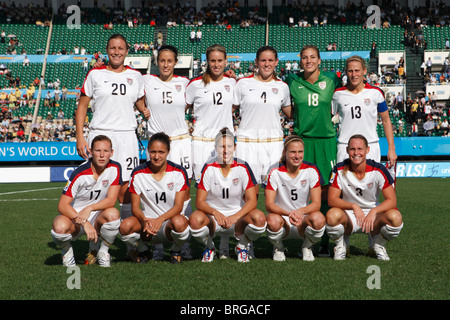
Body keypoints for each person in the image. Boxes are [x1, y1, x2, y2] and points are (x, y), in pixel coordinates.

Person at [76, 33, 150, 221]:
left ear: (126, 51)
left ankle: (128, 239)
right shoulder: (95, 74)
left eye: (120, 48)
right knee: (97, 185)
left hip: (126, 136)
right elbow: (82, 106)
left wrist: (144, 111)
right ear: (107, 50)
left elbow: (139, 100)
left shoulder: (135, 75)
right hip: (100, 134)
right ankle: (95, 238)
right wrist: (80, 136)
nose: (116, 52)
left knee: (125, 189)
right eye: (113, 48)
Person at [285, 45, 341, 256]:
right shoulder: (291, 81)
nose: (308, 61)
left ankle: (327, 240)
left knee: (327, 192)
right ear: (299, 61)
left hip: (326, 142)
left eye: (312, 57)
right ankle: (307, 239)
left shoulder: (332, 79)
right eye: (304, 57)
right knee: (305, 192)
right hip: (303, 143)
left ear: (319, 60)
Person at [140, 45, 193, 259]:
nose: (165, 64)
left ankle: (183, 243)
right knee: (154, 191)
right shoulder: (146, 81)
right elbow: (127, 83)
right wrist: (141, 108)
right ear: (157, 61)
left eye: (170, 60)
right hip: (156, 144)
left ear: (176, 62)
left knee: (184, 192)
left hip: (181, 142)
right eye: (162, 60)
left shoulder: (186, 83)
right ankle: (158, 243)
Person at [189, 128, 266, 262]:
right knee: (194, 220)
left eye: (229, 146)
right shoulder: (208, 167)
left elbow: (252, 200)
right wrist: (215, 213)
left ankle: (242, 246)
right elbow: (200, 202)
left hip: (238, 219)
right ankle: (209, 246)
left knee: (259, 218)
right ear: (215, 147)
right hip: (214, 218)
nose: (225, 150)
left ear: (235, 147)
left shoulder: (243, 166)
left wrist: (235, 216)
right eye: (221, 146)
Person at [326, 134, 403, 261]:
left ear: (367, 150)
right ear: (347, 151)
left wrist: (374, 211)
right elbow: (332, 200)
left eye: (360, 149)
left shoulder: (378, 169)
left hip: (373, 216)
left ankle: (377, 245)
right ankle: (341, 246)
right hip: (349, 215)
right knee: (331, 215)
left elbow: (392, 200)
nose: (356, 153)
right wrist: (353, 206)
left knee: (396, 217)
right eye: (352, 149)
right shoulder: (339, 169)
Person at [50, 135, 122, 267]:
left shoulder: (116, 168)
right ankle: (67, 252)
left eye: (106, 151)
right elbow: (62, 206)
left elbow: (111, 200)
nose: (101, 155)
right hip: (75, 218)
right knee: (59, 228)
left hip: (97, 216)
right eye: (97, 151)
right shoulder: (79, 173)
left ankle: (103, 252)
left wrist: (89, 208)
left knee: (113, 214)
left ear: (111, 153)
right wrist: (84, 222)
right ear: (90, 151)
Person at [119, 133, 190, 264]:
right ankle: (143, 249)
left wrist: (160, 220)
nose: (157, 156)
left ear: (168, 151)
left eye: (161, 152)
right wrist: (144, 220)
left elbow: (179, 207)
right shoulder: (138, 173)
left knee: (180, 222)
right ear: (148, 151)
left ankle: (175, 249)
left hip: (169, 224)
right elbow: (135, 207)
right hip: (147, 225)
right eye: (153, 152)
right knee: (124, 226)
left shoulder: (179, 172)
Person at [232, 45, 292, 186]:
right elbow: (228, 110)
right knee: (246, 190)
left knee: (275, 190)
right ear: (256, 62)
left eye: (270, 60)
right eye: (263, 60)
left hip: (273, 143)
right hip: (247, 143)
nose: (267, 64)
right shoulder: (242, 84)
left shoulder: (282, 86)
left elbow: (291, 114)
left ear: (276, 62)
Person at [265, 135, 325, 261]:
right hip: (282, 219)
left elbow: (316, 204)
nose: (297, 156)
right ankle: (278, 247)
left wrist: (300, 212)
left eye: (300, 152)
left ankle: (307, 247)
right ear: (284, 153)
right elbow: (269, 204)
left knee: (319, 219)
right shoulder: (274, 170)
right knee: (272, 221)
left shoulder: (312, 170)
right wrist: (290, 213)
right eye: (292, 152)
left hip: (303, 220)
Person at [331, 55, 397, 169]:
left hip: (370, 147)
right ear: (346, 72)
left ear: (364, 71)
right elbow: (328, 118)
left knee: (371, 185)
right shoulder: (337, 94)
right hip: (345, 147)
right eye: (350, 71)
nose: (354, 74)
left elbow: (386, 120)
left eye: (357, 70)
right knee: (344, 186)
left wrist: (391, 149)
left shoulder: (375, 93)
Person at [185, 44, 235, 184]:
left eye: (220, 61)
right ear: (207, 61)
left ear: (226, 61)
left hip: (225, 144)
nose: (216, 64)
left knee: (226, 187)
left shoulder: (232, 82)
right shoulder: (195, 84)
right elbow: (180, 108)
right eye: (212, 61)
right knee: (203, 189)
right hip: (202, 143)